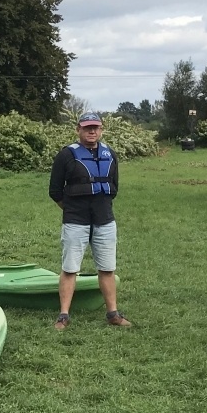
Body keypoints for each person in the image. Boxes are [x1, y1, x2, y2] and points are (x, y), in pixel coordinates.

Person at [49, 112, 130, 329]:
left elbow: (114, 188)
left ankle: (113, 313)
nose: (92, 131)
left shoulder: (110, 154)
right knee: (70, 268)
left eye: (96, 127)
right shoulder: (66, 155)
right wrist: (74, 209)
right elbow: (55, 191)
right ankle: (63, 315)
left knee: (107, 268)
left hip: (105, 220)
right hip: (76, 220)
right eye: (87, 128)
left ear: (101, 129)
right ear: (79, 129)